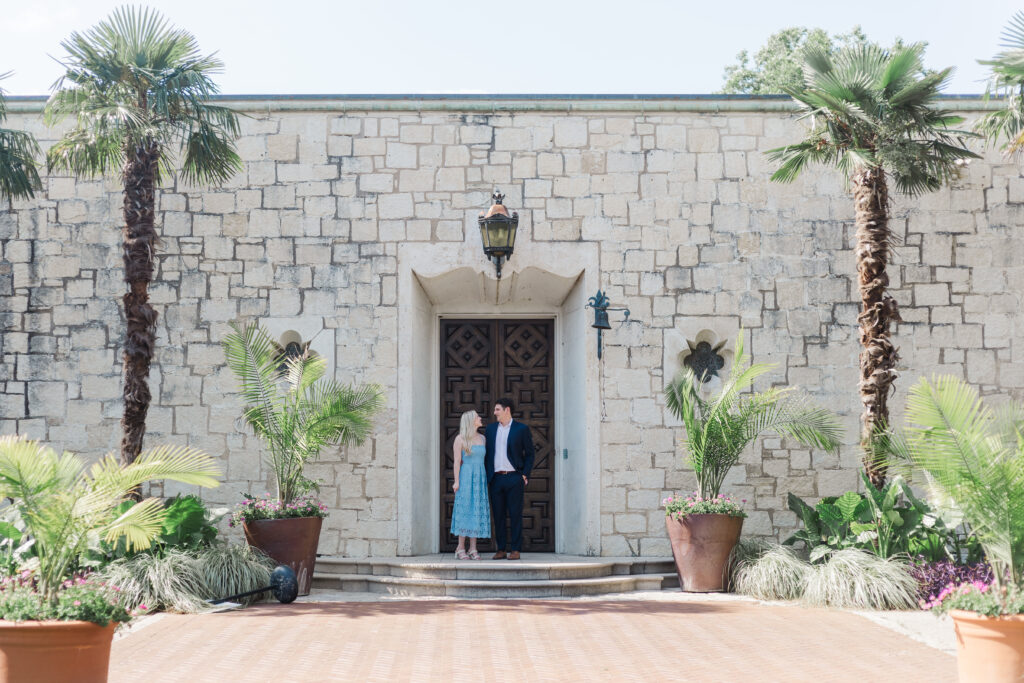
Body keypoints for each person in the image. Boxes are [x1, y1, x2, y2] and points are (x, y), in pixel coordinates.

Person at [484, 397, 535, 560]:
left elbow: (530, 453)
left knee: (515, 514)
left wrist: (525, 474)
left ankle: (515, 549)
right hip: (496, 478)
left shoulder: (521, 429)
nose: (494, 413)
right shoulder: (491, 429)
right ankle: (501, 549)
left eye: (497, 409)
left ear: (507, 410)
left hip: (514, 477)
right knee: (498, 515)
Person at [450, 410, 490, 560]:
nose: (480, 418)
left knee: (476, 511)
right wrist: (456, 481)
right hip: (466, 476)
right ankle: (460, 547)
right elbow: (456, 462)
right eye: (477, 417)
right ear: (471, 421)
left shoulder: (483, 438)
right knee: (465, 510)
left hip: (480, 477)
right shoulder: (460, 439)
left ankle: (473, 548)